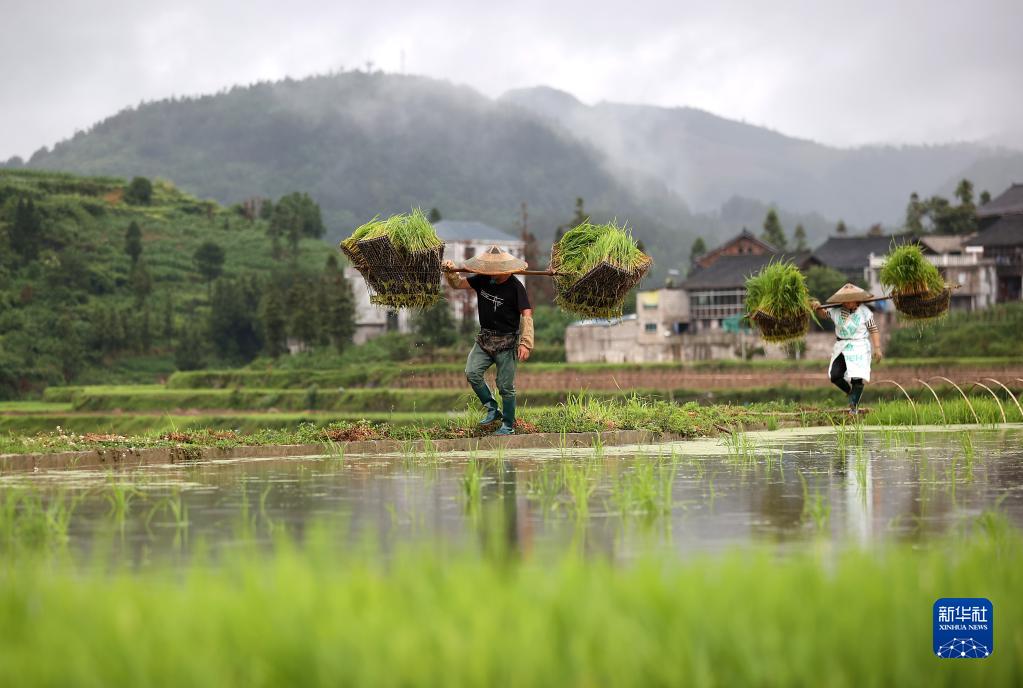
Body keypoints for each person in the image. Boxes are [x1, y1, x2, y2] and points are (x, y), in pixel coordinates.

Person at [443, 246, 534, 435]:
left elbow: (526, 313)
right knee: (472, 372)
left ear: (505, 270)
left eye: (496, 272)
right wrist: (450, 272)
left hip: (506, 342)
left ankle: (508, 425)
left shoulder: (516, 287)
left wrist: (526, 342)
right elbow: (458, 284)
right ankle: (492, 408)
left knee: (505, 386)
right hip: (485, 339)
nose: (492, 275)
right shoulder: (483, 279)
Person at [811, 283, 883, 414]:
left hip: (859, 346)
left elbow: (873, 329)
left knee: (857, 376)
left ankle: (853, 407)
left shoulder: (865, 312)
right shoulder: (836, 311)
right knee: (835, 375)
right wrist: (818, 307)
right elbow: (824, 315)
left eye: (851, 300)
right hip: (842, 346)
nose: (848, 303)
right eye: (845, 300)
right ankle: (851, 393)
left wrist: (877, 348)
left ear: (857, 299)